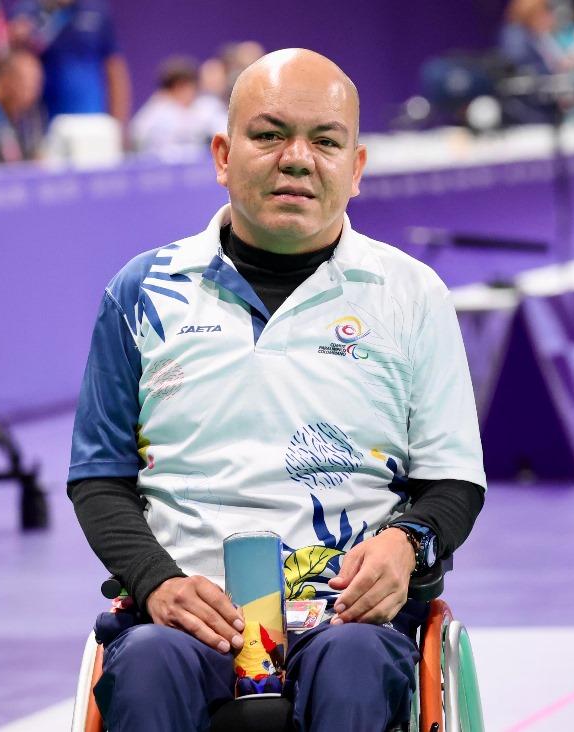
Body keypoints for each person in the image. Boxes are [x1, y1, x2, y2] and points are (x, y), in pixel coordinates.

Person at [68, 48, 486, 732]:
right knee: (144, 666)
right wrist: (158, 583)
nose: (297, 158)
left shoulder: (412, 295)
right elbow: (99, 480)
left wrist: (406, 545)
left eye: (325, 141)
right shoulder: (142, 292)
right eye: (269, 135)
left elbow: (453, 483)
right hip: (186, 617)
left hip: (347, 617)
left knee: (353, 668)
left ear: (355, 169)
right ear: (223, 155)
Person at [9, 0, 130, 131]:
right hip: (45, 125)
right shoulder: (28, 12)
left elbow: (115, 70)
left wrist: (118, 127)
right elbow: (13, 71)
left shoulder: (97, 11)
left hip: (92, 122)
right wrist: (16, 41)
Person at [130, 55, 225, 159]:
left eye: (187, 85)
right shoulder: (156, 110)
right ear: (169, 89)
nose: (184, 91)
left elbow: (224, 131)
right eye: (177, 87)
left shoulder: (208, 106)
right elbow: (137, 135)